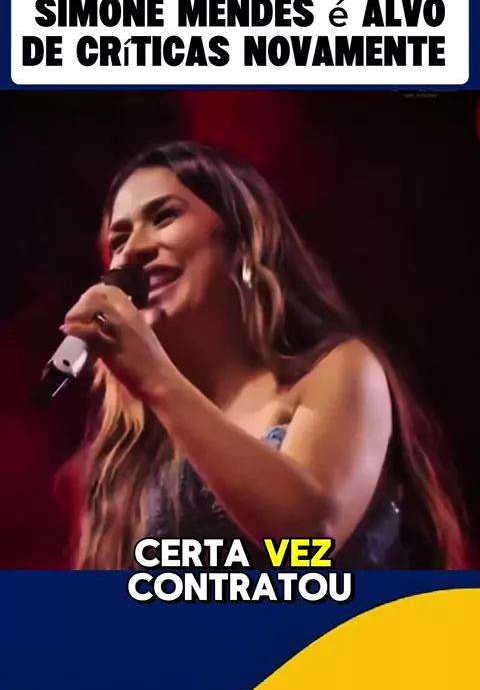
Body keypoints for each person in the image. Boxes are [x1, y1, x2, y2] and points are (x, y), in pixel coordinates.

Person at [62, 140, 470, 570]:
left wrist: (157, 379)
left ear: (241, 237)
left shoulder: (340, 368)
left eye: (164, 217)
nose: (133, 250)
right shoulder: (131, 440)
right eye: (119, 239)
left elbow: (310, 538)